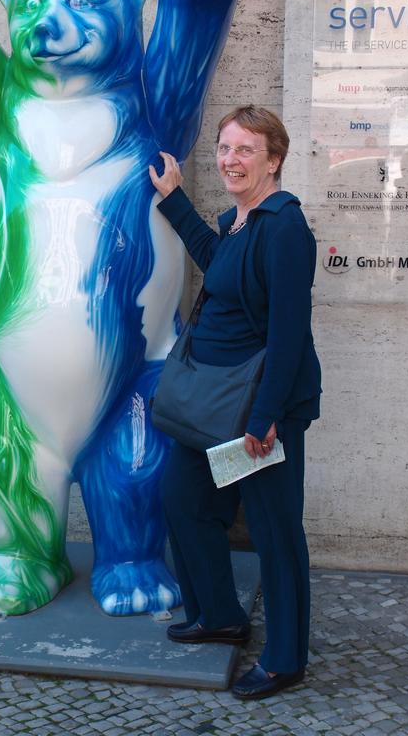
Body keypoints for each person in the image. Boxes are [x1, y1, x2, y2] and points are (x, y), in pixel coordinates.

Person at [148, 105, 321, 700]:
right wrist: (174, 198)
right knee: (182, 499)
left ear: (274, 159)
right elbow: (217, 262)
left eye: (246, 149)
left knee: (274, 531)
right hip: (212, 403)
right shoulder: (238, 222)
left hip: (256, 410)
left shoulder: (284, 227)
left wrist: (266, 417)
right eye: (225, 148)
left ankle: (285, 659)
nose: (230, 159)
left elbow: (290, 333)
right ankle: (220, 615)